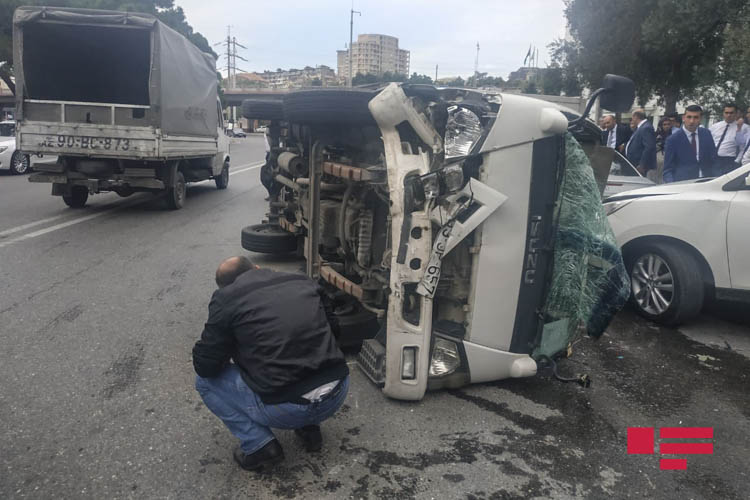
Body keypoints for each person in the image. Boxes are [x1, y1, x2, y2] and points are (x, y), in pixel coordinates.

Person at [192, 257, 350, 471]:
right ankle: (309, 430)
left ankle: (259, 446)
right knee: (303, 349)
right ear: (256, 268)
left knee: (204, 382)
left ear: (225, 287)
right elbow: (334, 331)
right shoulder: (302, 280)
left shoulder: (226, 299)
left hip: (286, 408)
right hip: (337, 392)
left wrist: (238, 346)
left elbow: (205, 366)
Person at [663, 104, 716, 183]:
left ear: (700, 119)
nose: (692, 121)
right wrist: (672, 186)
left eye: (695, 117)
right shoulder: (673, 140)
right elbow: (668, 169)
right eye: (689, 117)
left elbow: (714, 159)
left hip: (706, 181)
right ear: (683, 118)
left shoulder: (706, 134)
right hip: (684, 183)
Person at [708, 103, 747, 176]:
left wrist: (737, 161)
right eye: (726, 113)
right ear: (723, 113)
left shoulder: (743, 128)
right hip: (714, 159)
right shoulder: (715, 127)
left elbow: (742, 146)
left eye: (731, 113)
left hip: (729, 161)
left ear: (736, 114)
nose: (729, 115)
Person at [624, 109, 657, 177]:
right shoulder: (641, 127)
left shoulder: (646, 128)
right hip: (635, 165)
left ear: (636, 116)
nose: (632, 119)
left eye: (632, 117)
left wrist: (642, 164)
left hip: (640, 167)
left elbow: (649, 147)